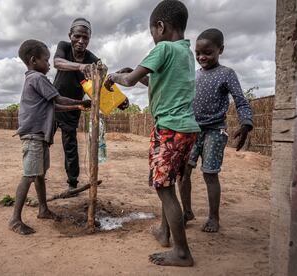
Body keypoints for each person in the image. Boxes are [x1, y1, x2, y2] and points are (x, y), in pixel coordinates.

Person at [104, 0, 200, 267]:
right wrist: (133, 75)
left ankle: (182, 252)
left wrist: (114, 76)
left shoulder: (163, 49)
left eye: (152, 33)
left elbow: (132, 80)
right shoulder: (185, 53)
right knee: (168, 183)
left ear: (160, 27)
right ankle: (164, 231)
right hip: (187, 129)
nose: (153, 38)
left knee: (164, 189)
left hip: (169, 129)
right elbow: (156, 80)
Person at [9, 39, 91, 235]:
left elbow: (55, 105)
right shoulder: (37, 78)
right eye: (46, 60)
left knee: (39, 175)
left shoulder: (35, 79)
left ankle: (43, 209)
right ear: (33, 60)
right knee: (29, 175)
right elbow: (58, 99)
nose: (48, 64)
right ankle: (14, 219)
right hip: (34, 135)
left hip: (40, 136)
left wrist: (78, 106)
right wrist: (81, 101)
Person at [179, 28, 253, 233]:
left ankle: (213, 218)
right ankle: (186, 212)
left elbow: (240, 100)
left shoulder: (226, 74)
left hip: (215, 131)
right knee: (183, 173)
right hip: (192, 130)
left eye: (208, 53)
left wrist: (246, 122)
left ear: (221, 49)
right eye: (198, 53)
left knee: (210, 174)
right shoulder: (194, 76)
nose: (202, 57)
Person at [53, 18, 128, 191]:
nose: (81, 41)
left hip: (74, 106)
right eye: (77, 36)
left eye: (85, 38)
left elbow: (102, 83)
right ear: (70, 35)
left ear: (89, 38)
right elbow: (57, 63)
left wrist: (119, 100)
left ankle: (72, 184)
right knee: (43, 141)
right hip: (54, 101)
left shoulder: (92, 58)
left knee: (70, 146)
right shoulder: (64, 47)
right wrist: (81, 67)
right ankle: (37, 179)